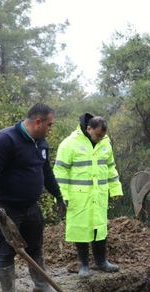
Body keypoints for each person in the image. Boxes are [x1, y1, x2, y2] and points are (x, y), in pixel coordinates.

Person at [0, 103, 67, 292]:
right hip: (7, 209)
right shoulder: (5, 139)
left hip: (31, 207)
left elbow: (46, 172)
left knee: (36, 247)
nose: (50, 128)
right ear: (37, 121)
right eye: (49, 124)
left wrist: (58, 195)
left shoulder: (41, 143)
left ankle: (40, 286)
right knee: (6, 251)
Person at [53, 113, 123, 278]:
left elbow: (111, 167)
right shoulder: (70, 144)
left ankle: (101, 262)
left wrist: (115, 189)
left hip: (98, 195)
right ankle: (83, 264)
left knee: (100, 228)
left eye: (103, 135)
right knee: (81, 229)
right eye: (98, 135)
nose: (100, 138)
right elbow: (60, 170)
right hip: (78, 196)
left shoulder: (105, 143)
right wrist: (61, 195)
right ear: (88, 128)